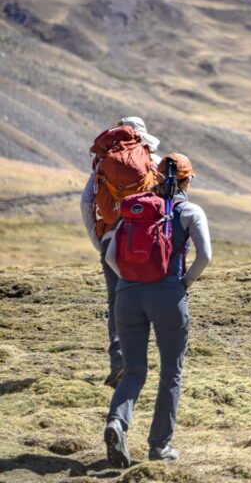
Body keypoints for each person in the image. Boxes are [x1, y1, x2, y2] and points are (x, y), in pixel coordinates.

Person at [102, 154, 212, 466]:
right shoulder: (189, 210)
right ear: (188, 180)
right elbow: (205, 255)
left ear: (156, 176)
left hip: (127, 294)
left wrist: (128, 281)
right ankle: (159, 447)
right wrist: (184, 283)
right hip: (167, 294)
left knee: (134, 369)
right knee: (171, 371)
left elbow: (110, 255)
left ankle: (117, 423)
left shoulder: (134, 209)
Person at [81, 116, 160, 388]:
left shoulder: (104, 163)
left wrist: (100, 240)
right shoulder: (154, 162)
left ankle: (119, 359)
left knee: (117, 300)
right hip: (148, 241)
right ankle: (141, 361)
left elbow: (87, 203)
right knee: (149, 297)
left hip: (112, 237)